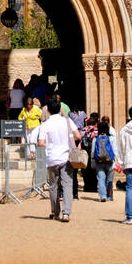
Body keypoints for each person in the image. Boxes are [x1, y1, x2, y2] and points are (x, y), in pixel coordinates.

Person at [38, 94, 81, 222]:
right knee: (67, 185)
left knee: (53, 186)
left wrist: (50, 146)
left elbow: (41, 143)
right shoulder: (67, 121)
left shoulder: (45, 124)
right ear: (60, 109)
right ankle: (66, 213)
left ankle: (55, 212)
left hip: (51, 158)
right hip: (66, 157)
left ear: (49, 110)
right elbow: (78, 136)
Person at [93, 116, 118, 202]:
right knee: (109, 179)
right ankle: (109, 196)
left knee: (101, 178)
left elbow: (93, 152)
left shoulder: (95, 139)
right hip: (110, 161)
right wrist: (116, 161)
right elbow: (115, 150)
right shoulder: (112, 138)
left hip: (99, 161)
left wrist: (93, 162)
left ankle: (103, 196)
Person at [19, 95, 43, 160]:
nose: (29, 106)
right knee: (28, 140)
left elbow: (42, 117)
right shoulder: (24, 110)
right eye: (28, 104)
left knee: (33, 139)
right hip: (27, 126)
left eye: (30, 104)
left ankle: (33, 153)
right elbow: (20, 117)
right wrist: (22, 122)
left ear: (32, 104)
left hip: (35, 126)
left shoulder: (36, 109)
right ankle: (29, 154)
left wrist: (42, 122)